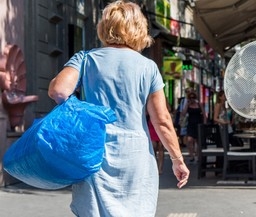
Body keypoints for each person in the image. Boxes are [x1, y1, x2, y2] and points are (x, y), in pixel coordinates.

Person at [48, 1, 189, 216]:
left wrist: (82, 111)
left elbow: (58, 91)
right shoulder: (148, 67)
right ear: (138, 28)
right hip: (136, 156)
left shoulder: (86, 59)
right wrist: (177, 160)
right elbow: (162, 120)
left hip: (94, 152)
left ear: (105, 27)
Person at [181, 91, 207, 162]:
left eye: (193, 97)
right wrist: (187, 104)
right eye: (190, 98)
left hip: (198, 124)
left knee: (198, 141)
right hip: (191, 124)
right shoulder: (188, 105)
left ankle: (198, 156)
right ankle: (192, 155)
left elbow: (204, 114)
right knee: (190, 140)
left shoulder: (199, 104)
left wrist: (204, 123)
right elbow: (183, 113)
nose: (192, 99)